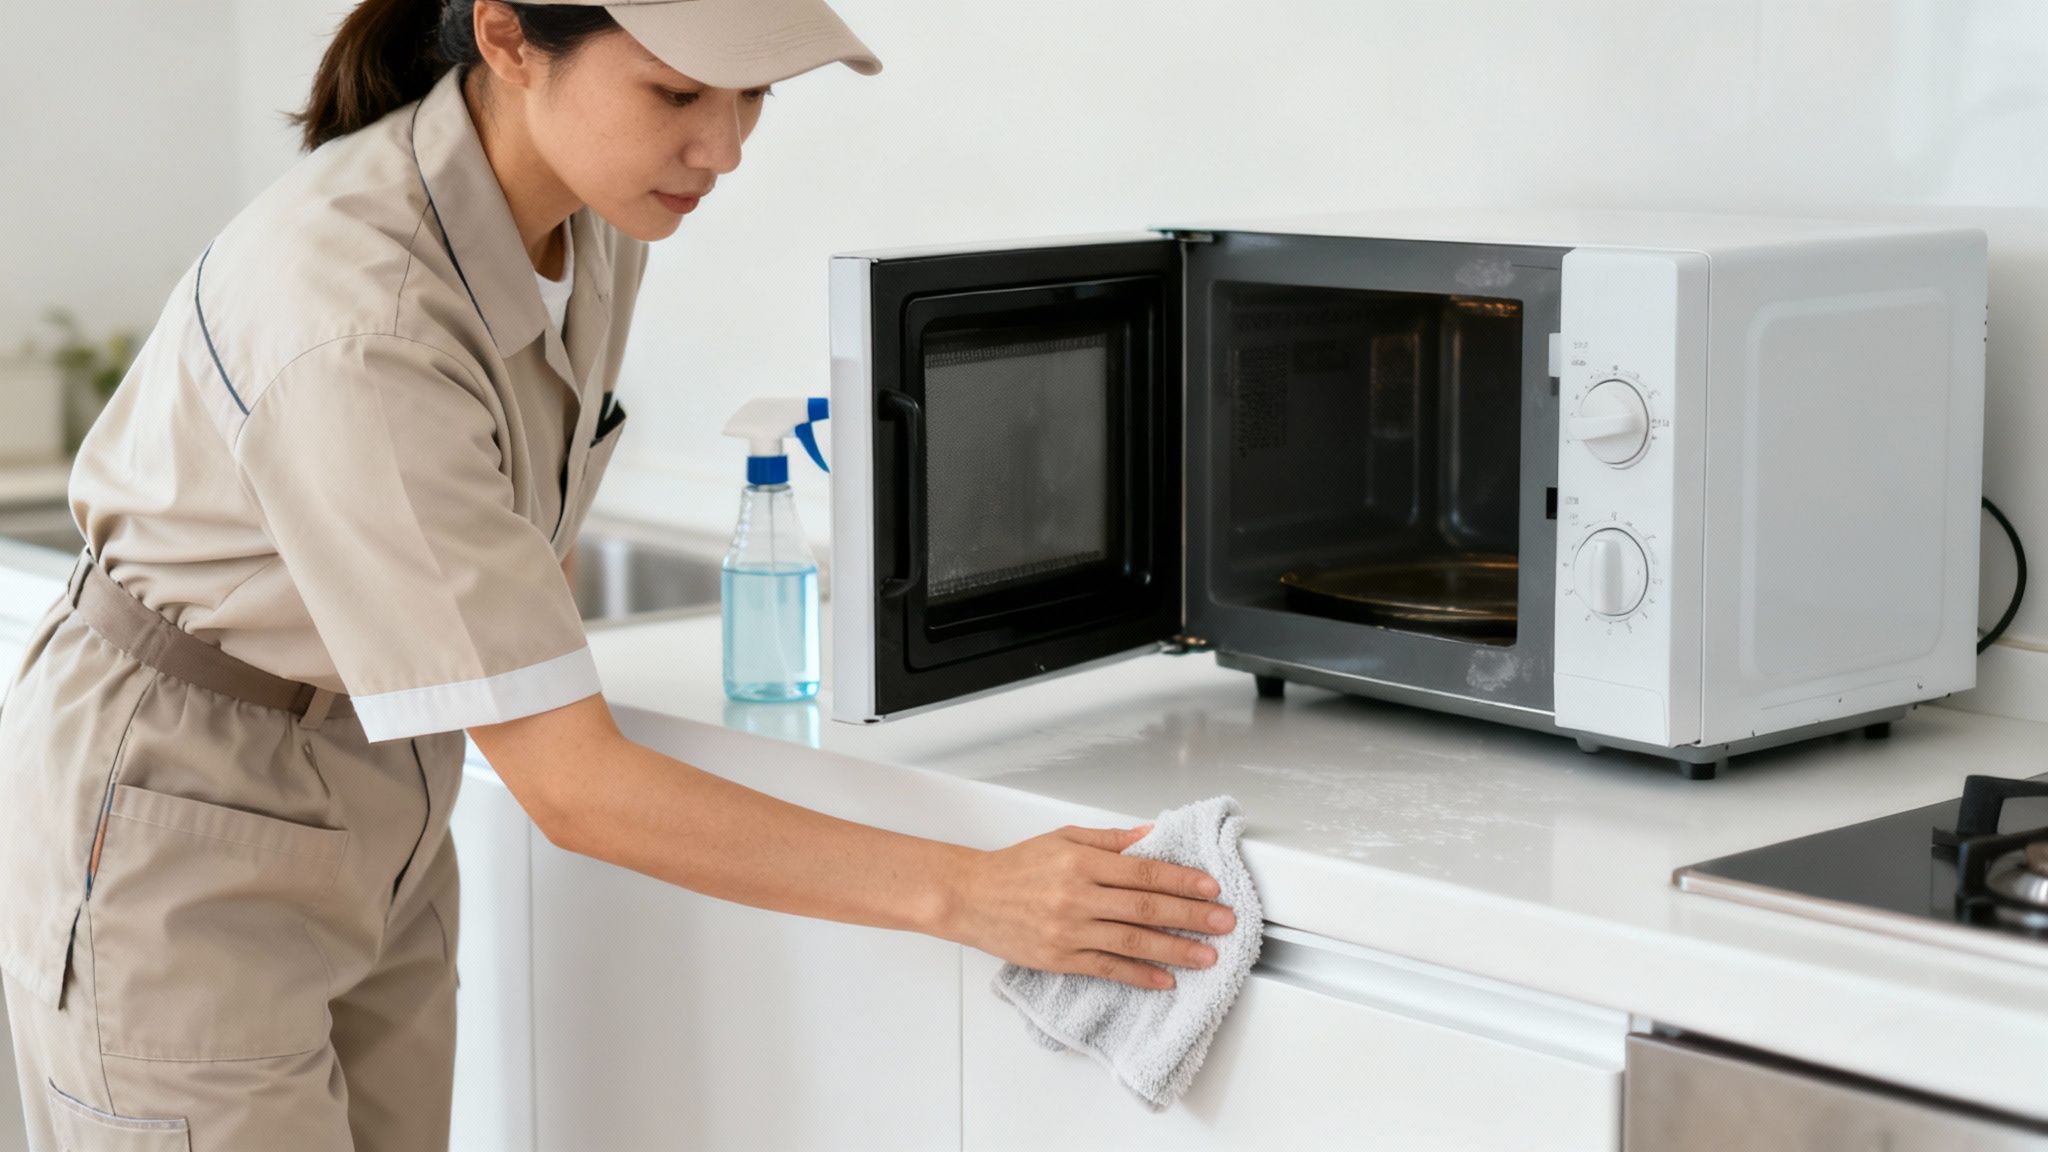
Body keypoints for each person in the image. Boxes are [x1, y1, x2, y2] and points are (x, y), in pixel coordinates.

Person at [0, 1, 1239, 1147]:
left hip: (380, 791)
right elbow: (575, 791)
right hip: (181, 808)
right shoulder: (359, 313)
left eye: (752, 96)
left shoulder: (588, 218)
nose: (724, 148)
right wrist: (972, 893)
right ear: (505, 35)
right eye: (675, 93)